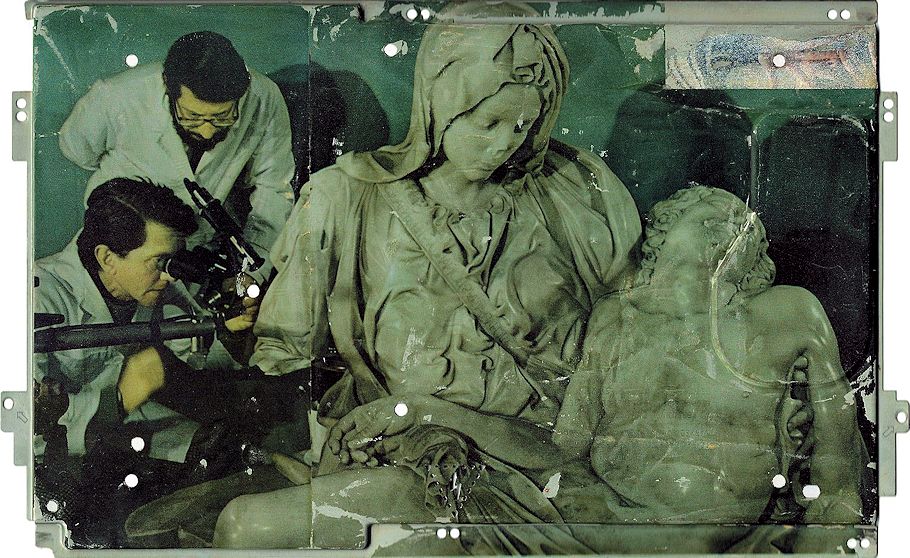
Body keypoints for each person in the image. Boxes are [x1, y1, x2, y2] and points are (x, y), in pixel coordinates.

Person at [210, 1, 641, 550]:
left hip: (548, 472)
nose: (504, 143)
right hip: (415, 458)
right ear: (439, 102)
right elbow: (282, 359)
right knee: (246, 526)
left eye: (522, 124)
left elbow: (636, 347)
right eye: (486, 122)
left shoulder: (574, 195)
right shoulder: (346, 199)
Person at [280, 186, 866, 554]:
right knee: (274, 524)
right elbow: (560, 452)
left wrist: (830, 533)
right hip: (572, 519)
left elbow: (840, 477)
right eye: (702, 219)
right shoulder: (615, 319)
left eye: (742, 229)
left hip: (675, 541)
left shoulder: (786, 314)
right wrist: (423, 411)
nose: (730, 229)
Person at [34, 178, 261, 545]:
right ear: (107, 258)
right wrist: (123, 395)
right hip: (62, 479)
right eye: (159, 262)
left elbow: (207, 365)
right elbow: (27, 435)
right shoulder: (38, 296)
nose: (169, 275)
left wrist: (233, 330)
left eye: (173, 261)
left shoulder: (153, 285)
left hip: (131, 450)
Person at [58, 31, 294, 281]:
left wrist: (251, 273)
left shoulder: (264, 97)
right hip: (122, 251)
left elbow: (274, 191)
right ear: (168, 88)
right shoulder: (116, 96)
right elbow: (76, 149)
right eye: (192, 117)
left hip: (198, 255)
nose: (206, 132)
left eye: (222, 117)